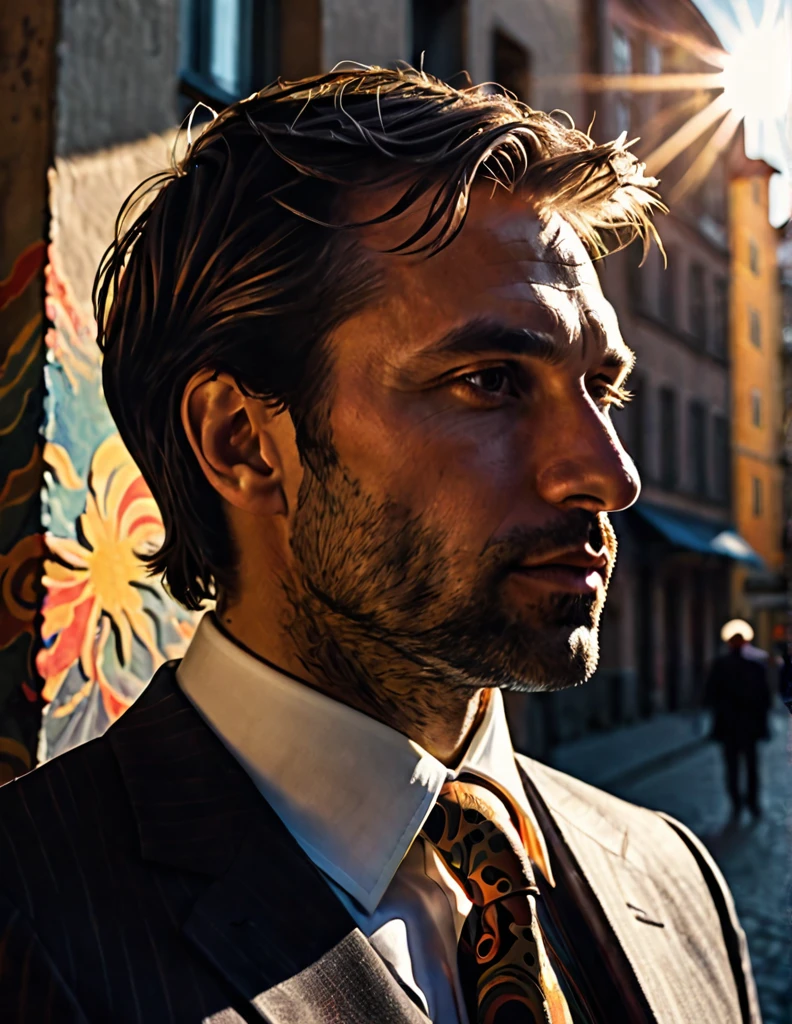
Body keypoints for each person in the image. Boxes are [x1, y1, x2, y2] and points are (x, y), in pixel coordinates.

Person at [0, 68, 759, 1023]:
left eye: (601, 393)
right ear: (244, 441)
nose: (609, 476)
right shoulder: (31, 925)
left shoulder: (674, 876)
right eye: (490, 381)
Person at [705, 620, 772, 821]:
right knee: (750, 768)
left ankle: (738, 803)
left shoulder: (721, 665)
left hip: (729, 727)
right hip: (749, 727)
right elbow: (765, 699)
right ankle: (751, 804)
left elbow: (710, 695)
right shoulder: (755, 666)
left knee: (733, 768)